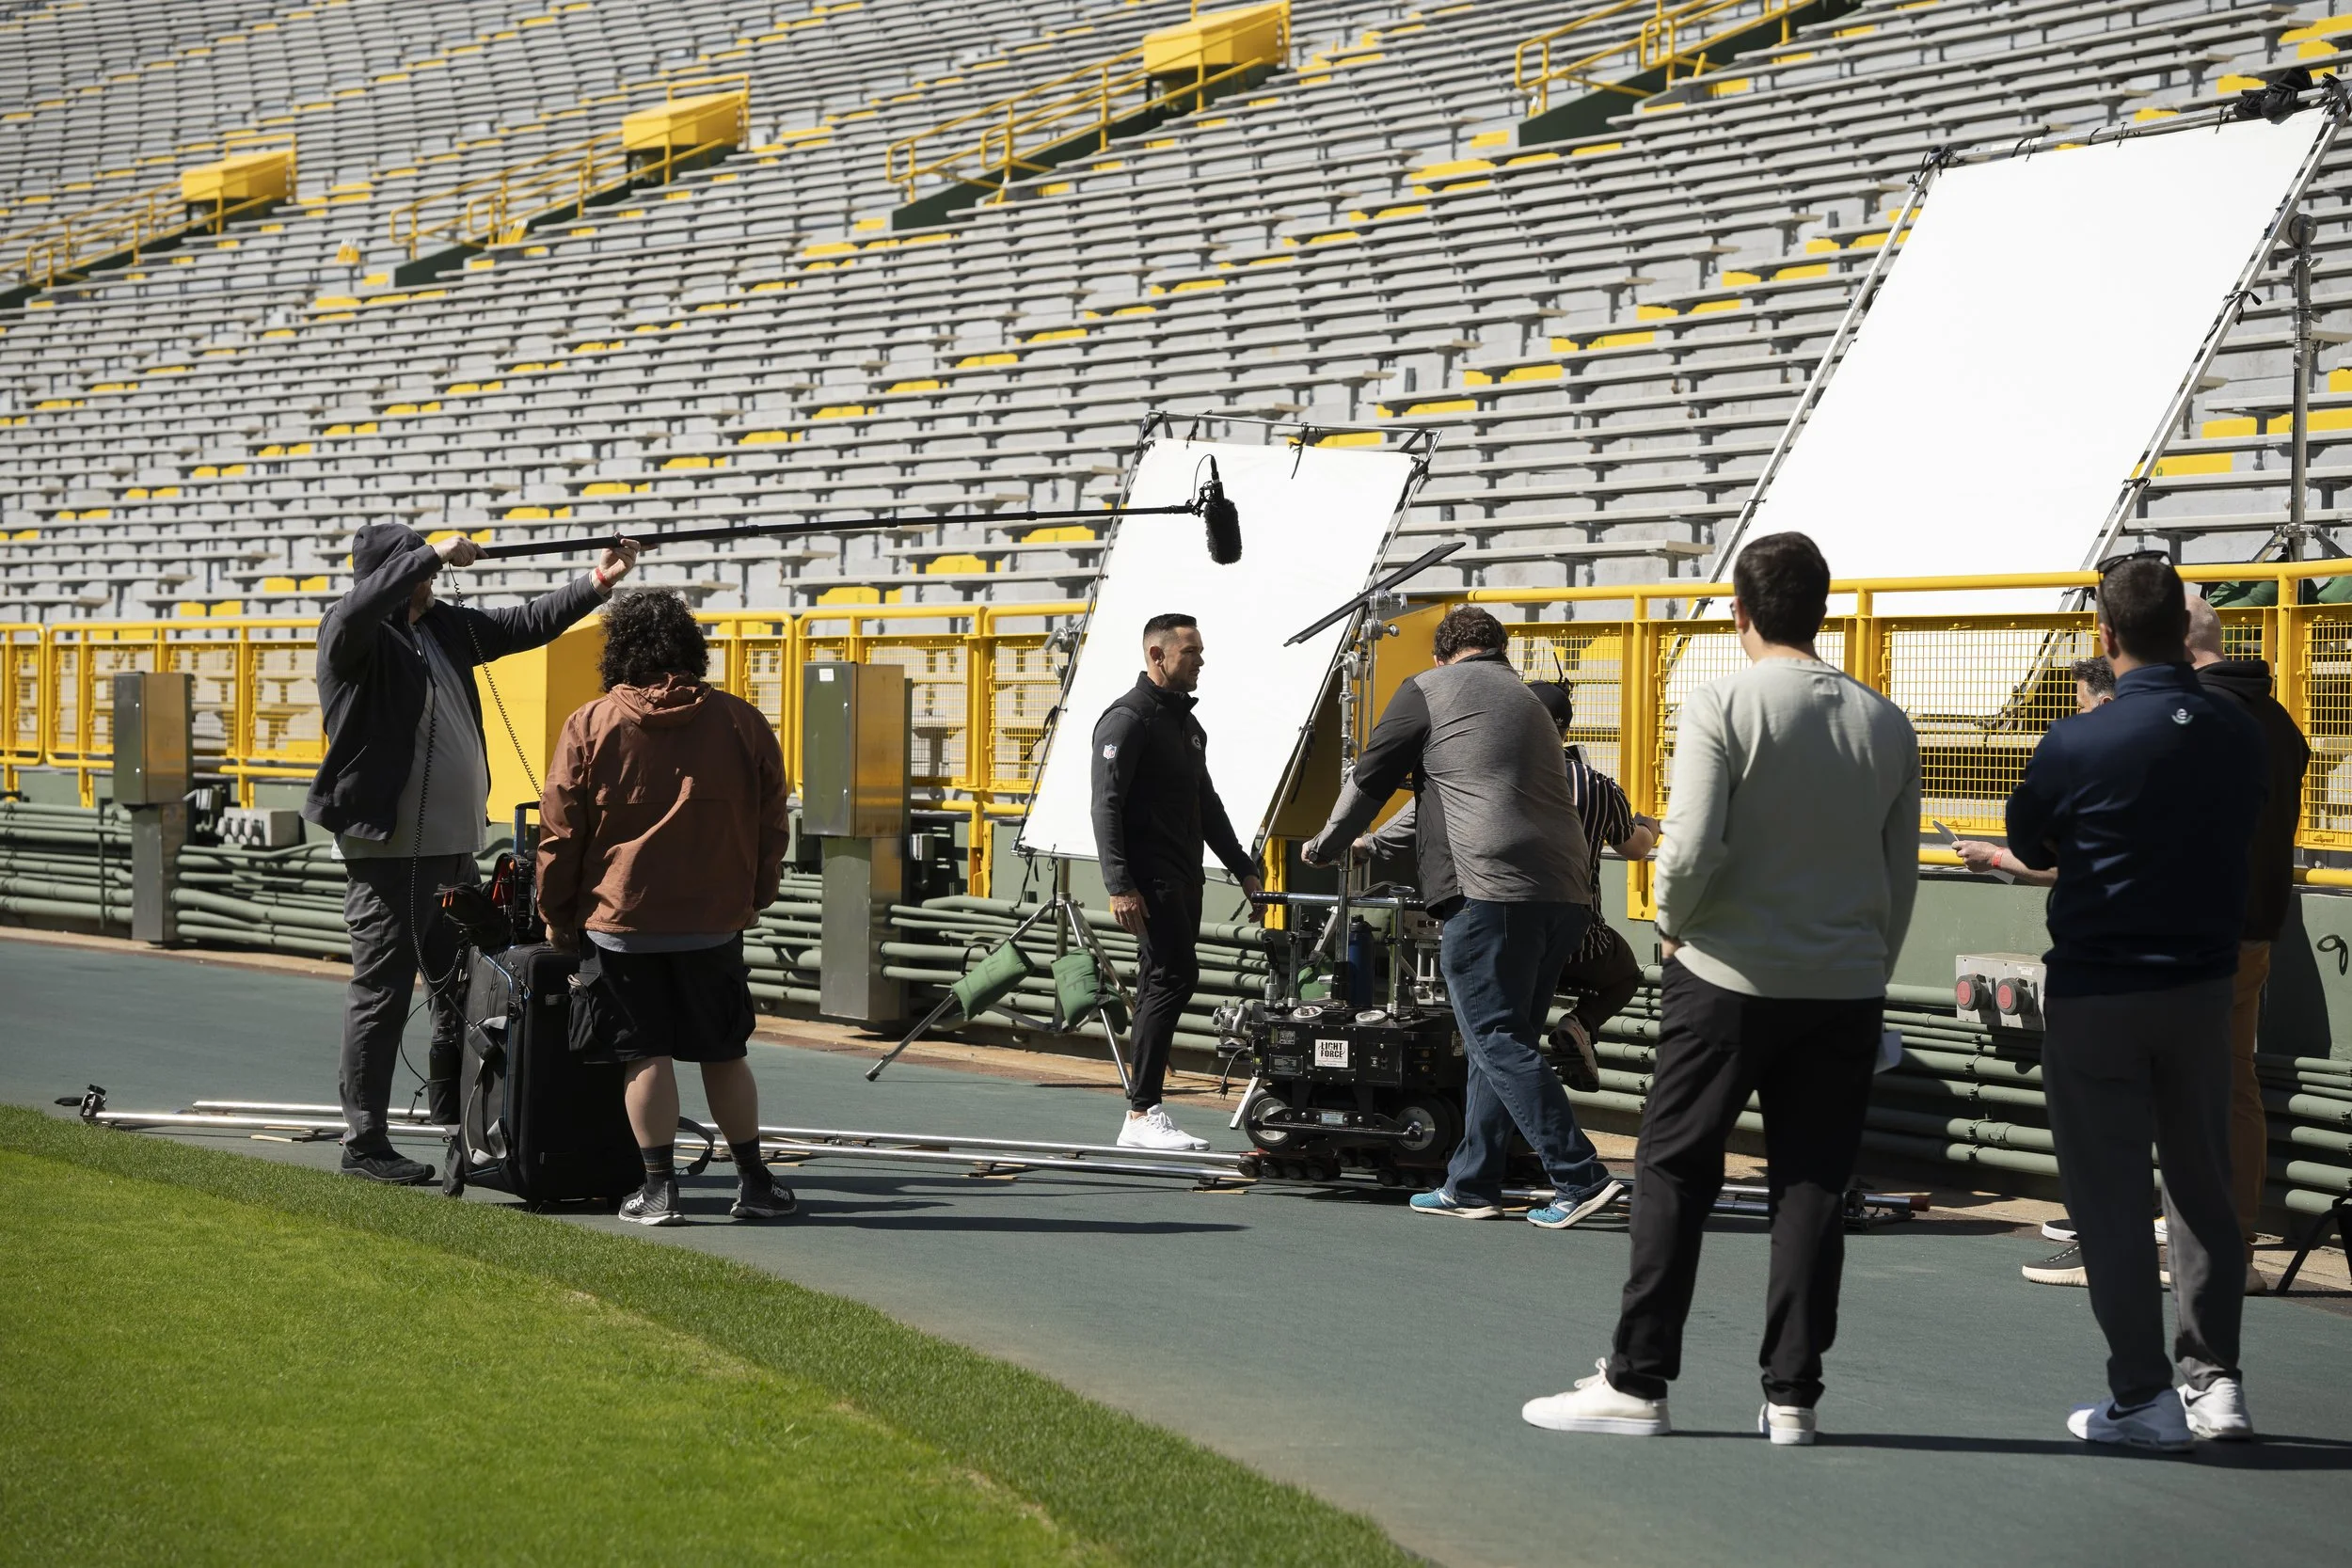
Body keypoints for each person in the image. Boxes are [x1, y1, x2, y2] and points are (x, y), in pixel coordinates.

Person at [1522, 531, 1919, 1445]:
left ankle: (1638, 1376)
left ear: (1738, 611)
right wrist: (1869, 965)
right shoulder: (1884, 720)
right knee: (1812, 1185)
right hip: (1844, 986)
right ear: (1819, 611)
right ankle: (1792, 1396)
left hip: (1726, 976)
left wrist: (1670, 922)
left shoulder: (1721, 702)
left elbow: (1690, 845)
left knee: (1672, 1169)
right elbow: (1899, 878)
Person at [2002, 555, 2263, 1450]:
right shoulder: (2240, 730)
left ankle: (2143, 1394)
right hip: (2199, 986)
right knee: (2203, 1187)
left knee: (2109, 1200)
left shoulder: (2080, 739)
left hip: (2099, 985)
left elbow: (2028, 832)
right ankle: (2216, 1380)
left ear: (2106, 635)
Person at [305, 522, 635, 1185]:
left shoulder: (441, 628)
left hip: (454, 846)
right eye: (414, 569)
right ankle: (363, 1140)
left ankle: (458, 1114)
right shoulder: (350, 631)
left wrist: (598, 582)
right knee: (384, 992)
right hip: (392, 852)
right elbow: (361, 605)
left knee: (461, 988)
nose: (427, 579)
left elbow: (524, 623)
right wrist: (431, 553)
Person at [1303, 606, 1623, 1231]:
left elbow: (1371, 775)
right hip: (1563, 896)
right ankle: (1472, 1181)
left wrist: (1329, 843)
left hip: (1489, 890)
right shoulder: (1529, 701)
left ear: (1440, 654)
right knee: (1501, 1041)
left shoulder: (1430, 688)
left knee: (1494, 1038)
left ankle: (1579, 1174)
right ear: (1499, 649)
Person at [537, 589, 792, 1227]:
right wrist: (754, 895)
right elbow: (772, 824)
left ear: (620, 650)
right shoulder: (741, 721)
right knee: (724, 1051)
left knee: (642, 1054)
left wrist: (557, 912)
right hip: (714, 922)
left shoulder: (589, 722)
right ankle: (754, 1182)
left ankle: (658, 1189)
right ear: (690, 648)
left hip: (621, 922)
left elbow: (560, 832)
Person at [1358, 679, 1658, 1075]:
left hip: (1494, 932)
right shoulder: (1596, 785)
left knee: (1502, 1044)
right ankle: (1580, 1024)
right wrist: (1649, 825)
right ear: (1565, 729)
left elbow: (1416, 818)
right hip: (1574, 940)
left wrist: (1365, 842)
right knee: (1625, 974)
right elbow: (1636, 848)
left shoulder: (1478, 771)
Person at [1090, 613, 1264, 1151]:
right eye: (1190, 651)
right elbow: (1106, 805)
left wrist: (1245, 870)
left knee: (1163, 982)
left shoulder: (1186, 725)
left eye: (1200, 650)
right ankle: (1142, 1114)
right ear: (1157, 655)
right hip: (1151, 882)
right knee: (1170, 979)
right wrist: (1120, 884)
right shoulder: (1128, 719)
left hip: (1185, 877)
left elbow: (1206, 805)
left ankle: (1141, 1113)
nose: (1200, 660)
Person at [2185, 590, 2309, 1293]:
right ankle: (2228, 1248)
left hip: (2195, 937)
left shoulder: (2193, 717)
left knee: (2179, 1088)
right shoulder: (2278, 717)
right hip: (2255, 928)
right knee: (2235, 1086)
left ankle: (2198, 1248)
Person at [1951, 657, 2112, 888]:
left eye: (2081, 707)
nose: (2076, 716)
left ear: (2105, 705)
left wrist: (1993, 857)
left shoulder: (2099, 771)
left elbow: (2076, 867)